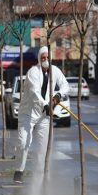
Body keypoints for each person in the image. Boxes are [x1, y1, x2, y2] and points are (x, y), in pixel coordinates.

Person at [13, 46, 69, 183]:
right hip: (28, 113)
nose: (45, 60)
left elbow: (65, 85)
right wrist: (45, 104)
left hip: (44, 115)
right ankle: (19, 171)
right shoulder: (33, 72)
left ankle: (40, 175)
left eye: (47, 57)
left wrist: (57, 96)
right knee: (23, 141)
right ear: (39, 59)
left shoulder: (55, 71)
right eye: (43, 58)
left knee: (43, 146)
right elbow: (34, 92)